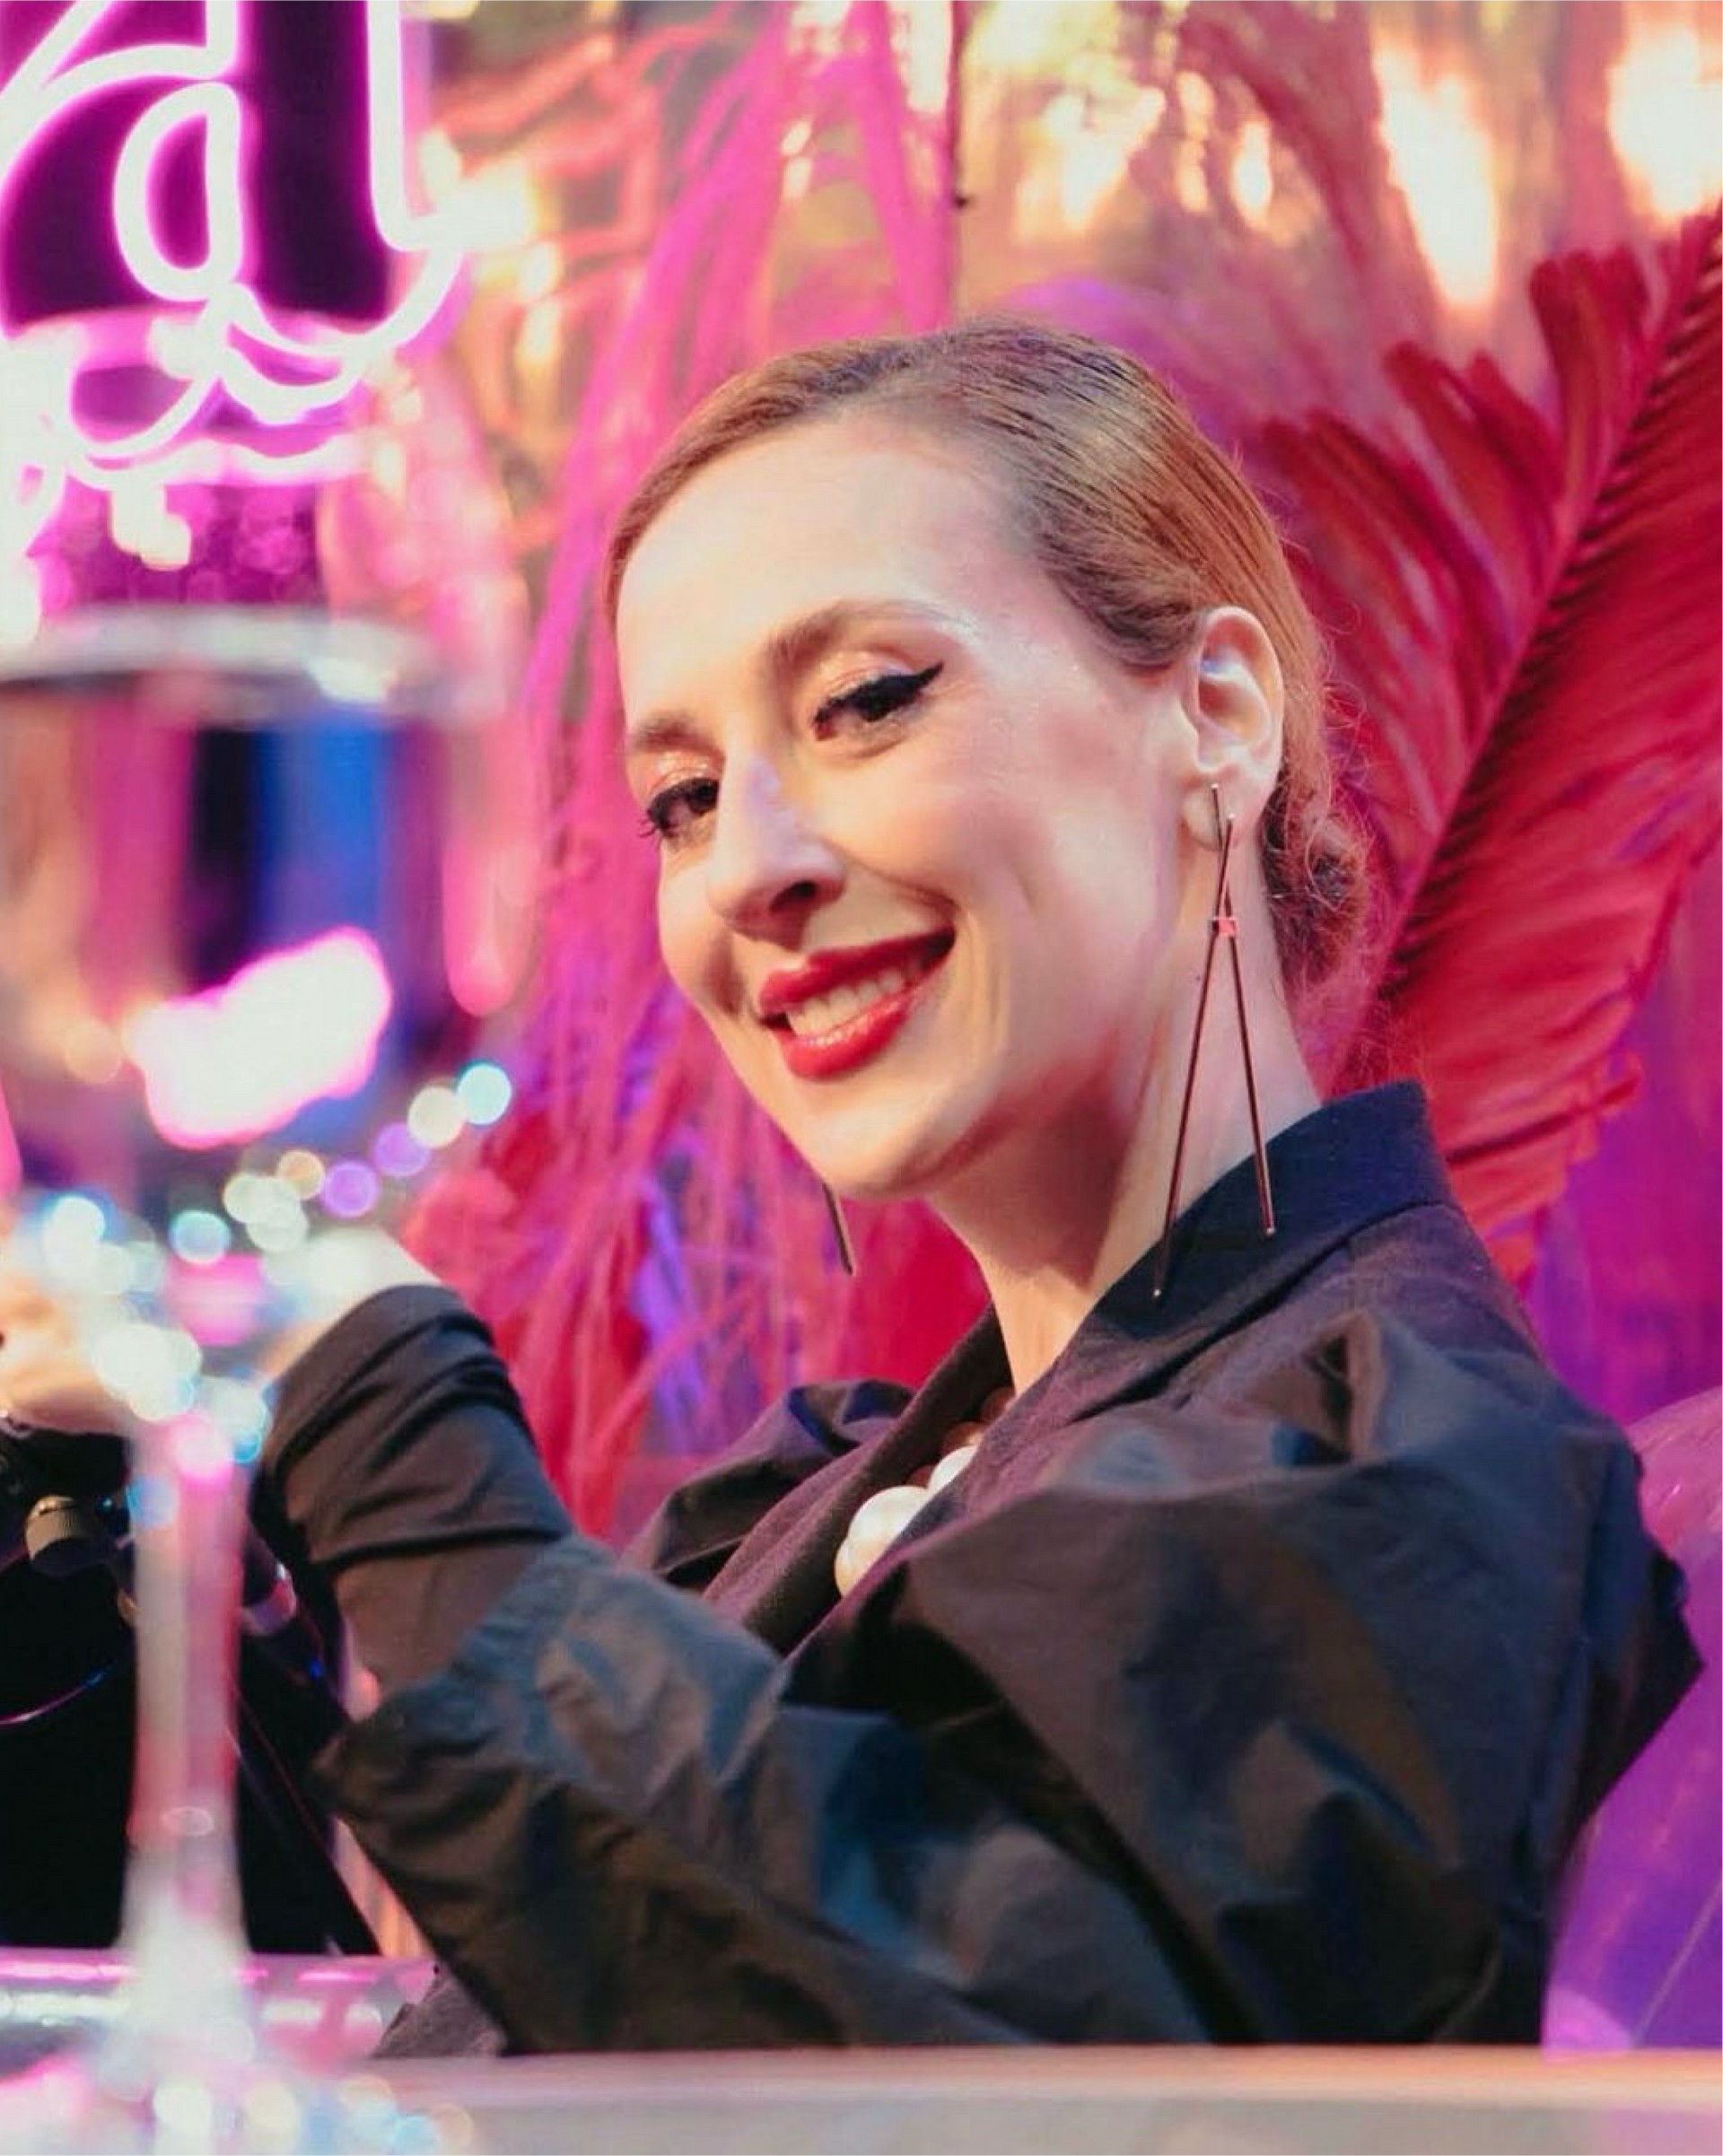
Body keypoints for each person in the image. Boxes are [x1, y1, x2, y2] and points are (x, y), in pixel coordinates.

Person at [0, 319, 1697, 2051]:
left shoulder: (1411, 1467)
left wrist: (357, 1373)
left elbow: (927, 2051)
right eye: (681, 797)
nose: (749, 864)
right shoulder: (813, 1495)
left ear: (1218, 712)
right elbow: (445, 2021)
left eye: (870, 702)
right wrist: (97, 1523)